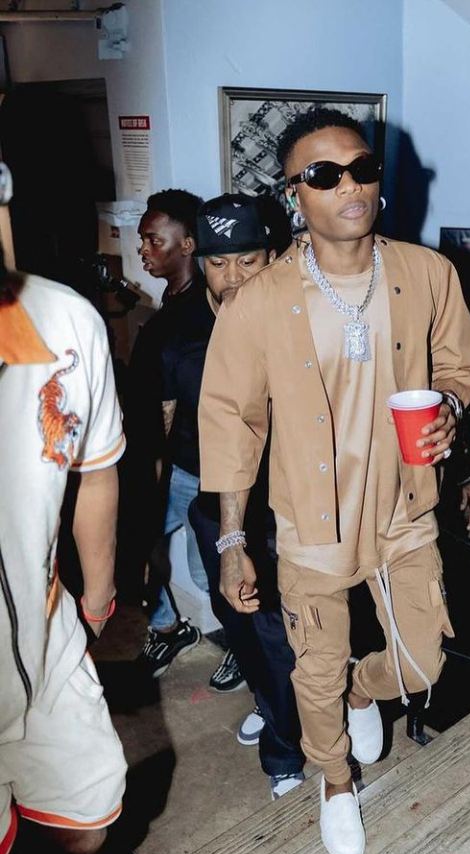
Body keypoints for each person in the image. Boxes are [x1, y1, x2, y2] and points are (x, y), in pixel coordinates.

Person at [199, 107, 470, 854]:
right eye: (324, 175)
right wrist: (232, 540)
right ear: (294, 194)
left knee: (424, 663)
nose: (349, 186)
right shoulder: (260, 300)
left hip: (404, 509)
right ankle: (334, 782)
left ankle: (365, 690)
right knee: (314, 671)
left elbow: (463, 364)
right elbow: (232, 422)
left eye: (363, 168)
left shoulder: (427, 274)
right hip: (311, 523)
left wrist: (452, 405)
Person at [0, 163, 127, 854]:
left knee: (85, 820)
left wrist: (98, 594)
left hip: (44, 630)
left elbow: (96, 471)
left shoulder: (65, 320)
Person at [187, 191, 305, 798]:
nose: (232, 277)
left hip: (279, 516)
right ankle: (267, 703)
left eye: (248, 261)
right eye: (218, 262)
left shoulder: (297, 326)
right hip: (213, 513)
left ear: (273, 258)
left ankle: (286, 753)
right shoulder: (177, 333)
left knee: (278, 639)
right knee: (239, 630)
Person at [128, 188, 240, 690]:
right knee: (132, 546)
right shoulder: (167, 309)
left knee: (208, 573)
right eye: (143, 240)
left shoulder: (204, 314)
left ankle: (245, 648)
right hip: (174, 467)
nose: (144, 249)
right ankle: (169, 628)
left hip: (205, 472)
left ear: (188, 244)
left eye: (154, 239)